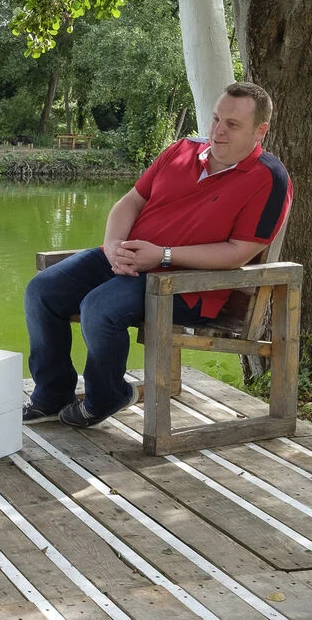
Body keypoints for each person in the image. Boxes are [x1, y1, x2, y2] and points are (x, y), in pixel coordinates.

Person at [22, 81, 292, 429]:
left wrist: (162, 255)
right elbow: (131, 202)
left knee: (100, 308)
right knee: (41, 291)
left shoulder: (269, 178)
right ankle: (52, 394)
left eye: (232, 125)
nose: (218, 132)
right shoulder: (181, 150)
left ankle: (106, 395)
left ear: (261, 131)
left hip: (183, 284)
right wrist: (113, 246)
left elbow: (239, 251)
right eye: (215, 119)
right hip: (132, 258)